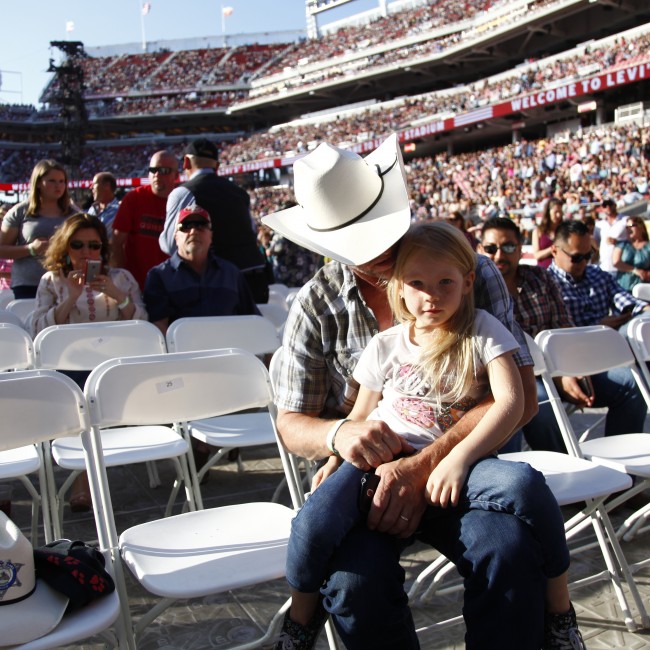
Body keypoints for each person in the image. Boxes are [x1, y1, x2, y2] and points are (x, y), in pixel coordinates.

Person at [262, 134, 553, 649]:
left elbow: (520, 398)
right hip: (370, 484)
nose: (373, 256)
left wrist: (422, 467)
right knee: (355, 586)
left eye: (378, 237)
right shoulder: (316, 303)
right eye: (355, 246)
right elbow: (291, 423)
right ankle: (300, 623)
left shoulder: (462, 269)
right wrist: (340, 436)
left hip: (461, 470)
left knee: (508, 553)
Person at [479, 216, 649, 452]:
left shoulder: (541, 278)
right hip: (515, 377)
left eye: (508, 246)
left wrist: (568, 369)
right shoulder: (472, 290)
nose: (499, 255)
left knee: (629, 384)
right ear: (479, 250)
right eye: (490, 248)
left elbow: (563, 325)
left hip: (561, 367)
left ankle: (626, 467)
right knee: (537, 401)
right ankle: (564, 473)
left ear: (520, 249)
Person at [31, 212, 146, 511]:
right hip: (69, 367)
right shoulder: (52, 281)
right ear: (64, 248)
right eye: (77, 245)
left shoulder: (121, 278)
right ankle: (86, 477)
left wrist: (118, 296)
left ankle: (88, 474)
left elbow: (142, 324)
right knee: (80, 396)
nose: (86, 252)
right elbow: (38, 331)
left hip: (113, 367)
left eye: (93, 246)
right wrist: (71, 296)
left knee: (97, 392)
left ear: (102, 250)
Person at [159, 138, 270, 302]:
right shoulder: (240, 193)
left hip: (215, 283)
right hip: (254, 280)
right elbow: (251, 233)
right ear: (217, 167)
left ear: (186, 163)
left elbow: (170, 244)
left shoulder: (184, 192)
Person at [143, 204, 260, 335]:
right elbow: (159, 330)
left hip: (230, 352)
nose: (193, 231)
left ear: (211, 235)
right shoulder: (159, 277)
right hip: (183, 354)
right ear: (176, 237)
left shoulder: (231, 273)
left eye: (201, 225)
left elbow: (254, 321)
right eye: (186, 226)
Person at [549, 219, 650, 331]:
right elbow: (556, 331)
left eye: (588, 256)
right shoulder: (545, 284)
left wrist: (644, 309)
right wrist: (597, 326)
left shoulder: (597, 273)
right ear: (554, 251)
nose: (584, 262)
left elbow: (622, 297)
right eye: (576, 257)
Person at [0, 159, 77, 298]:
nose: (58, 186)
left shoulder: (74, 214)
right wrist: (31, 249)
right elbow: (2, 250)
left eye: (62, 181)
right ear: (39, 183)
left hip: (65, 283)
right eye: (52, 181)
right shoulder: (19, 211)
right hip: (28, 285)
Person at [111, 151, 179, 290]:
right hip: (137, 286)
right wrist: (122, 279)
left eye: (164, 171)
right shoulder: (134, 198)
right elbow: (117, 242)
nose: (157, 175)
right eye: (153, 170)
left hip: (174, 286)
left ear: (176, 176)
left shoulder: (183, 200)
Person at [612, 215, 650, 291]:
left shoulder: (648, 246)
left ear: (641, 227)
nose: (628, 229)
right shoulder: (622, 244)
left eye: (631, 226)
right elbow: (616, 262)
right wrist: (635, 270)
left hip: (643, 289)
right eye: (627, 227)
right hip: (623, 288)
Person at [595, 198, 627, 274]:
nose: (608, 207)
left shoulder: (625, 220)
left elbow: (634, 240)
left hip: (622, 265)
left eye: (610, 205)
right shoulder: (599, 224)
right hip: (605, 266)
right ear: (602, 209)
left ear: (615, 205)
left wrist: (618, 242)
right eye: (605, 206)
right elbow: (596, 242)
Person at [531, 198, 563, 269]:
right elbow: (537, 255)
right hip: (543, 272)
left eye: (560, 212)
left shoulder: (563, 230)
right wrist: (553, 248)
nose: (558, 215)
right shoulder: (538, 231)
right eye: (556, 212)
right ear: (548, 212)